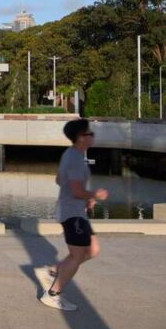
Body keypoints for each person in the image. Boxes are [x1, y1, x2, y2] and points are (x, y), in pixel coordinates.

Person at [40, 118, 108, 311]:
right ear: (80, 137)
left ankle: (55, 271)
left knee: (92, 250)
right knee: (77, 255)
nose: (92, 136)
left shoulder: (71, 154)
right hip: (72, 214)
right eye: (89, 133)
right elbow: (76, 190)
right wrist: (95, 194)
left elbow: (59, 179)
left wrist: (84, 198)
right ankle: (52, 294)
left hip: (76, 211)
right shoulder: (76, 159)